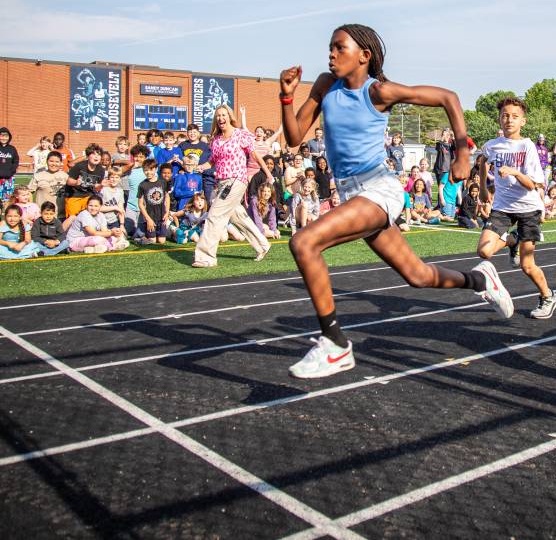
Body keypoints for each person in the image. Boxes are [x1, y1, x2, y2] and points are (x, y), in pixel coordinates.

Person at [279, 23, 512, 378]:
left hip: (379, 190)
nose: (331, 54)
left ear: (364, 56)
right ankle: (481, 281)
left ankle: (335, 344)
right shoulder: (326, 86)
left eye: (339, 47)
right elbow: (294, 138)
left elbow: (448, 97)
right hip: (352, 194)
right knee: (417, 276)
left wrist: (463, 153)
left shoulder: (379, 92)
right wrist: (286, 96)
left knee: (304, 242)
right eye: (330, 47)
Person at [475, 96, 556, 319]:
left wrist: (514, 172)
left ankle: (548, 296)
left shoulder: (527, 146)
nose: (509, 120)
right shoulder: (492, 145)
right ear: (499, 119)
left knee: (527, 265)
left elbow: (533, 184)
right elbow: (482, 161)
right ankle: (513, 240)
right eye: (505, 116)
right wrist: (483, 188)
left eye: (514, 116)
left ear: (523, 121)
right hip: (502, 206)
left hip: (528, 208)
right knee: (484, 251)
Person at [192, 105, 274, 267]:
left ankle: (206, 257)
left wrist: (268, 174)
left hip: (236, 180)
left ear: (230, 117)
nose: (221, 118)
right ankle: (262, 244)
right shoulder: (215, 140)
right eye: (218, 116)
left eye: (224, 115)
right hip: (221, 182)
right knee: (237, 216)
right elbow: (212, 162)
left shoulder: (240, 134)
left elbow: (255, 155)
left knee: (214, 215)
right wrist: (201, 167)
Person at [64, 144, 107, 218]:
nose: (96, 156)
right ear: (88, 156)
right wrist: (76, 182)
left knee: (89, 217)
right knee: (72, 218)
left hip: (88, 195)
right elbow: (68, 181)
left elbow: (96, 188)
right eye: (93, 154)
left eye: (99, 155)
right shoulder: (79, 166)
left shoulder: (101, 170)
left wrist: (101, 185)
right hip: (74, 195)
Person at [178, 124, 215, 202]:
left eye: (194, 132)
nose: (192, 134)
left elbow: (210, 161)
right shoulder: (182, 145)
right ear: (187, 133)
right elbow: (180, 160)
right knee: (190, 199)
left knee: (205, 199)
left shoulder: (205, 146)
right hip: (188, 176)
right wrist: (181, 169)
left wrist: (203, 169)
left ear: (198, 133)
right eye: (190, 132)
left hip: (202, 176)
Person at [137, 159, 170, 245]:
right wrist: (148, 219)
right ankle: (141, 237)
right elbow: (140, 203)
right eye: (145, 170)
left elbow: (167, 197)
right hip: (150, 217)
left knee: (162, 241)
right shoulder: (142, 185)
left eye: (151, 169)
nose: (148, 172)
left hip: (162, 216)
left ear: (155, 169)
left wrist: (167, 212)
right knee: (152, 241)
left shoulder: (163, 182)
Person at [434, 127, 455, 200]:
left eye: (447, 135)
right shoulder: (440, 144)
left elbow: (455, 146)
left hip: (448, 170)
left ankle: (445, 202)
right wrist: (442, 138)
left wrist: (452, 137)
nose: (446, 137)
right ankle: (439, 204)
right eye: (444, 135)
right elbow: (438, 148)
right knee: (440, 187)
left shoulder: (450, 145)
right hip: (440, 170)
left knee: (447, 187)